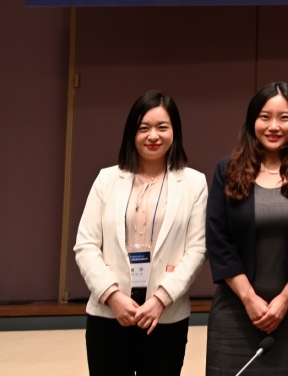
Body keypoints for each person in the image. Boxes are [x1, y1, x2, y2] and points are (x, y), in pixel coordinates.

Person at [75, 91, 208, 376]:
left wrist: (161, 299)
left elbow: (197, 250)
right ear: (131, 133)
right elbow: (86, 245)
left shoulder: (194, 183)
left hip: (165, 316)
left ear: (175, 131)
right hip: (109, 314)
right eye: (144, 128)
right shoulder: (106, 179)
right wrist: (112, 295)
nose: (153, 136)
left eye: (162, 127)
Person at [206, 82, 288, 376]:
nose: (274, 126)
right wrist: (249, 298)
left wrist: (285, 299)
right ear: (253, 121)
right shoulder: (227, 170)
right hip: (234, 311)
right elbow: (218, 239)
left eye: (284, 118)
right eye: (265, 117)